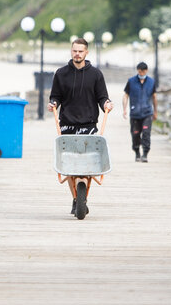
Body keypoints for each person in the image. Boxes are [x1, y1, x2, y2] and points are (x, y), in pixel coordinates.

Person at [48, 38, 113, 213]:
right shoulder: (61, 74)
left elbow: (102, 97)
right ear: (71, 51)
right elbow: (55, 96)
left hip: (88, 124)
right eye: (74, 51)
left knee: (87, 165)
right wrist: (53, 103)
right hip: (67, 124)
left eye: (80, 51)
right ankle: (76, 198)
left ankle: (81, 198)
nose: (77, 54)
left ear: (86, 53)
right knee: (69, 166)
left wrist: (106, 103)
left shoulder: (96, 75)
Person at [122, 61, 157, 162]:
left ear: (146, 71)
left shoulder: (151, 82)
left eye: (143, 72)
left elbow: (154, 97)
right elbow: (126, 95)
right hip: (135, 113)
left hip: (147, 112)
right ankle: (137, 152)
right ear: (137, 71)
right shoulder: (131, 81)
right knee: (135, 134)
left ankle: (145, 153)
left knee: (146, 133)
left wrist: (155, 111)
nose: (141, 74)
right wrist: (124, 109)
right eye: (139, 72)